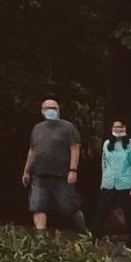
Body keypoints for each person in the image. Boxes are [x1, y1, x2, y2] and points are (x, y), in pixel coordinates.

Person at [22, 97, 86, 233]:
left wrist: (73, 170)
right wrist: (26, 171)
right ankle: (41, 238)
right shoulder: (37, 128)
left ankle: (83, 232)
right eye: (48, 108)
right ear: (42, 110)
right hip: (39, 174)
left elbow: (75, 148)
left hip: (62, 175)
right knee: (37, 206)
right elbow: (32, 150)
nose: (51, 110)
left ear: (59, 110)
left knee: (69, 208)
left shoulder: (68, 127)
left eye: (54, 108)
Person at [96, 117, 131, 239]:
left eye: (120, 127)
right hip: (108, 183)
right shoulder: (107, 144)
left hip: (125, 183)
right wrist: (102, 183)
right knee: (101, 211)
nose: (118, 129)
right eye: (115, 127)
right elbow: (104, 164)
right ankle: (95, 238)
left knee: (129, 213)